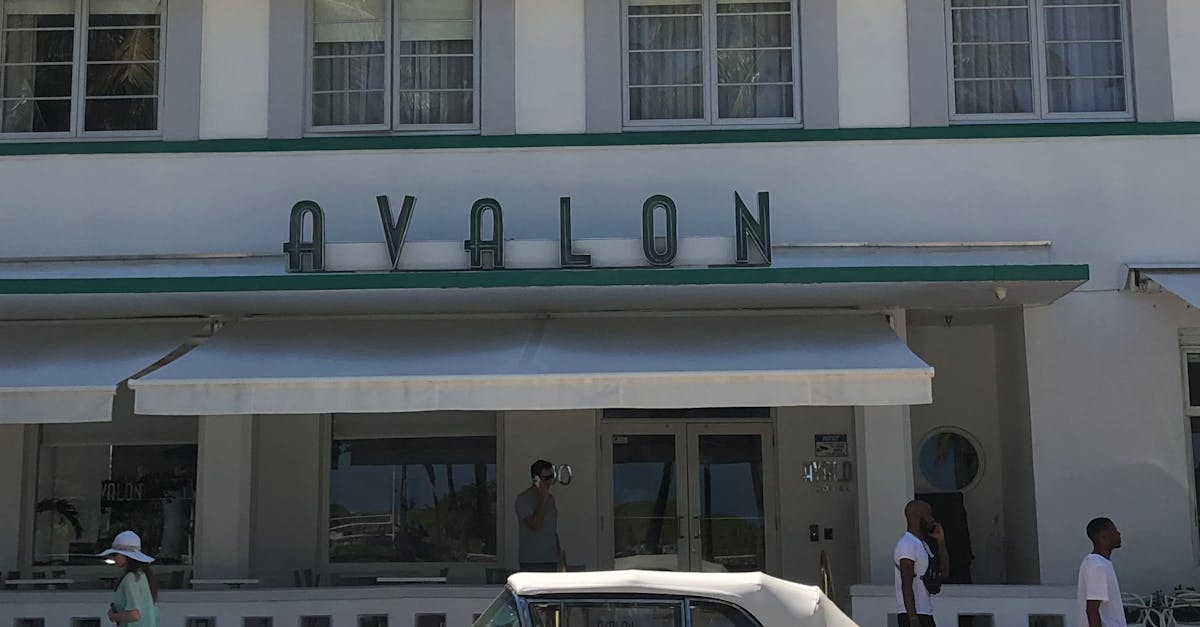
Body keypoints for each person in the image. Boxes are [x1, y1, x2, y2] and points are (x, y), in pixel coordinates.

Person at [894, 500, 948, 627]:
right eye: (928, 514)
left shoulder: (923, 545)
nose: (932, 520)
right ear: (916, 516)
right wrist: (913, 619)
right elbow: (906, 584)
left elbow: (944, 572)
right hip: (912, 614)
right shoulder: (907, 545)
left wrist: (941, 541)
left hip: (924, 612)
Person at [99, 530, 158, 627]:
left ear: (126, 556)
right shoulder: (141, 575)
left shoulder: (131, 578)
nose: (113, 558)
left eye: (115, 554)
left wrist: (113, 616)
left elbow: (134, 615)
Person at [1076, 517, 1124, 627]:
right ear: (1103, 535)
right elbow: (1092, 610)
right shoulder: (1097, 566)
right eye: (1114, 530)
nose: (1118, 533)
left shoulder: (1097, 563)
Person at [515, 459, 561, 572]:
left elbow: (552, 529)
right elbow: (536, 525)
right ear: (536, 479)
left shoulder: (551, 499)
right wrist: (542, 500)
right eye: (546, 478)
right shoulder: (523, 499)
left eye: (552, 477)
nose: (549, 482)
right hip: (532, 560)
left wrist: (559, 556)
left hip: (551, 559)